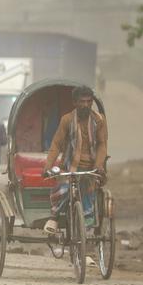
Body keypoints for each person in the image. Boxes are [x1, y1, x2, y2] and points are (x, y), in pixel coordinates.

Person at [42, 85, 108, 235]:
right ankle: (54, 217)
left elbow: (102, 145)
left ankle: (87, 246)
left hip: (91, 169)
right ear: (75, 103)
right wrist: (47, 166)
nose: (86, 105)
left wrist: (98, 165)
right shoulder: (67, 120)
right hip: (70, 167)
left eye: (89, 101)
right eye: (82, 101)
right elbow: (56, 144)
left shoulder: (99, 120)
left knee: (89, 199)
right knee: (64, 190)